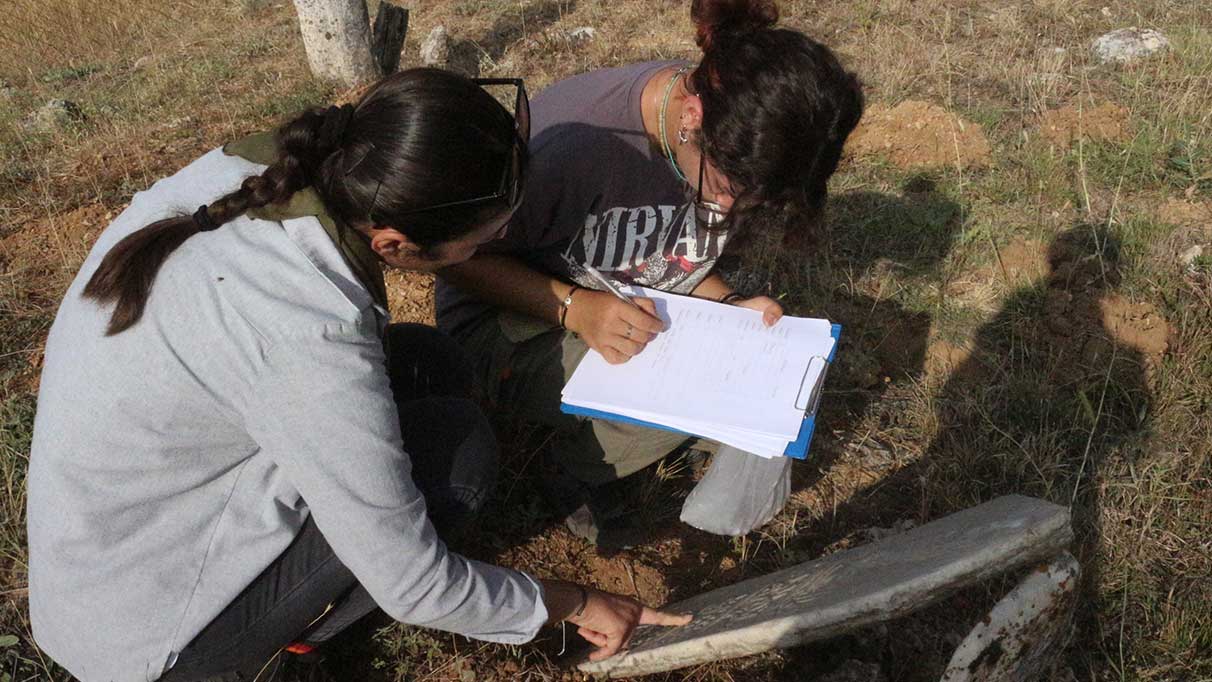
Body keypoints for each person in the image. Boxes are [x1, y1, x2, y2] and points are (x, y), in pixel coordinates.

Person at [27, 68, 688, 682]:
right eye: (481, 240)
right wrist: (571, 602)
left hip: (112, 535)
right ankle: (278, 646)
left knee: (431, 362)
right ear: (393, 244)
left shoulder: (268, 169)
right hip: (146, 635)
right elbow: (416, 584)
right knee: (458, 457)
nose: (496, 242)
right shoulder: (304, 329)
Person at [436, 0, 865, 543]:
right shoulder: (570, 149)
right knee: (682, 397)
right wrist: (574, 307)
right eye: (730, 191)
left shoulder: (729, 138)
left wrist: (730, 306)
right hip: (504, 317)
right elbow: (459, 263)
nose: (731, 213)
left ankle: (627, 437)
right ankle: (575, 468)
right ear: (693, 118)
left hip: (616, 295)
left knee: (773, 389)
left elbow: (669, 258)